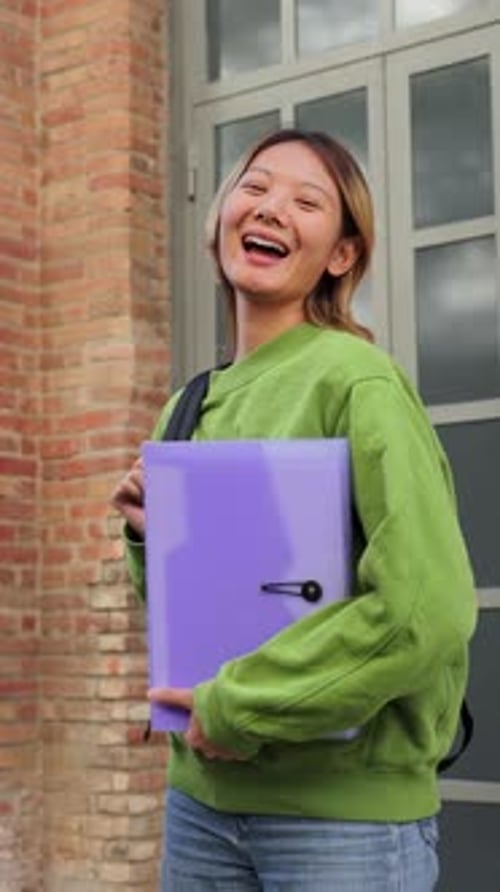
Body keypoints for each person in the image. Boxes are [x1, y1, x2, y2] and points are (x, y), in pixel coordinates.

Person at [111, 128, 477, 891]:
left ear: (341, 254)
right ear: (220, 218)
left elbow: (424, 608)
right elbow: (195, 616)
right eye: (254, 186)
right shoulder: (187, 405)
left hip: (341, 825)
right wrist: (152, 540)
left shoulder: (357, 381)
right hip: (199, 810)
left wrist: (239, 707)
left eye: (307, 201)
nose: (271, 207)